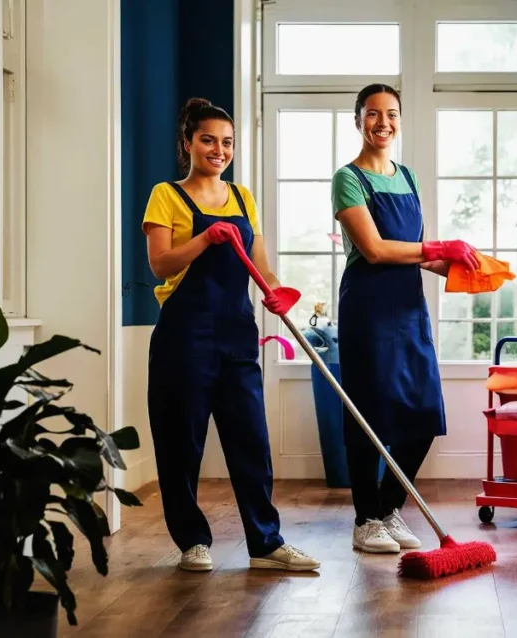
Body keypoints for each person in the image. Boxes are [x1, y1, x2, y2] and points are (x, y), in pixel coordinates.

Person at [142, 97, 320, 572]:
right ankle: (192, 542)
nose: (218, 150)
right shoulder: (167, 194)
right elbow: (159, 263)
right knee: (182, 443)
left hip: (238, 334)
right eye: (208, 140)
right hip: (185, 335)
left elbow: (260, 267)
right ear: (188, 143)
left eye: (227, 142)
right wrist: (204, 238)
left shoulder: (244, 199)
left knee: (251, 440)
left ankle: (266, 543)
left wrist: (279, 292)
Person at [330, 84, 481, 553]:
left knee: (422, 412)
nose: (383, 123)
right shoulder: (348, 178)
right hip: (368, 309)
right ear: (358, 120)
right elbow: (375, 249)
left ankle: (388, 507)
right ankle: (364, 521)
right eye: (372, 114)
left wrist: (468, 267)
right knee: (366, 416)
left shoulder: (408, 177)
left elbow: (419, 254)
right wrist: (437, 248)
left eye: (391, 114)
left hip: (410, 309)